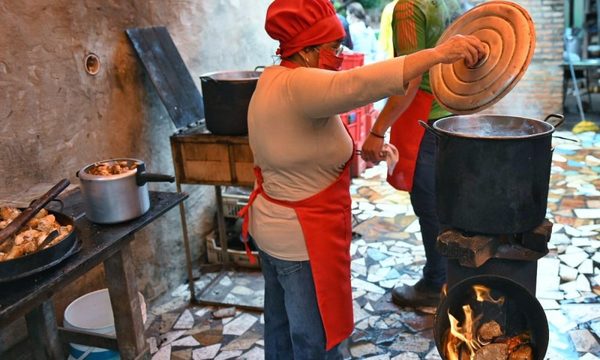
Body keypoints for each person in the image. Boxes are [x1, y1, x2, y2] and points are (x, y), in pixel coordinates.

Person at [237, 0, 484, 358]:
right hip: (301, 239)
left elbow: (301, 145)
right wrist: (439, 54)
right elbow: (360, 83)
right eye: (334, 47)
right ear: (305, 51)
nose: (340, 54)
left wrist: (370, 150)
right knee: (316, 340)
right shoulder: (299, 83)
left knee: (281, 328)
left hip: (279, 229)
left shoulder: (277, 77)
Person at [360, 0, 464, 308]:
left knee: (428, 204)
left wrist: (377, 130)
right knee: (447, 205)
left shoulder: (409, 7)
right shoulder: (447, 3)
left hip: (425, 117)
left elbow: (410, 77)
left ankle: (436, 284)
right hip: (454, 113)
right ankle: (453, 278)